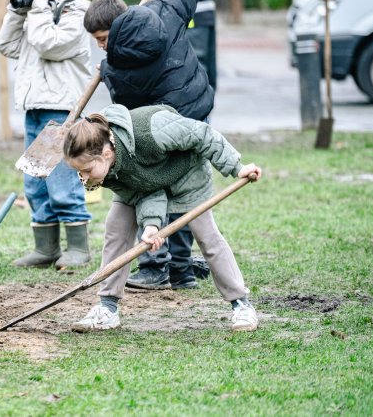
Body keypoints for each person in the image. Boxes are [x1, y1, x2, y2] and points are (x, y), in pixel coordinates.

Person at [63, 103, 261, 332]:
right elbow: (145, 189)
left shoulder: (151, 131)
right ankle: (107, 308)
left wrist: (237, 167)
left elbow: (202, 134)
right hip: (150, 182)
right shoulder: (105, 172)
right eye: (79, 172)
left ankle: (241, 305)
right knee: (116, 228)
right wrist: (151, 226)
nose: (83, 179)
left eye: (86, 170)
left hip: (187, 177)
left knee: (207, 236)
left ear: (106, 153)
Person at [83, 0, 214, 289]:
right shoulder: (165, 9)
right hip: (198, 110)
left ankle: (156, 267)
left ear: (116, 29)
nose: (101, 46)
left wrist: (107, 68)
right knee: (182, 189)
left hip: (164, 126)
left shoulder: (116, 69)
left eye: (103, 39)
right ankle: (180, 270)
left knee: (152, 186)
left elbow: (129, 114)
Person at [0, 0, 93, 269]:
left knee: (61, 180)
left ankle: (78, 248)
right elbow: (7, 45)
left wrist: (38, 8)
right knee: (36, 181)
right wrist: (19, 11)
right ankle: (46, 247)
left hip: (60, 108)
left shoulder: (78, 12)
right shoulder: (38, 14)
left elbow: (50, 45)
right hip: (36, 106)